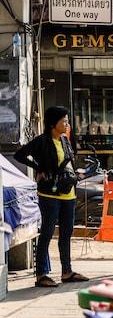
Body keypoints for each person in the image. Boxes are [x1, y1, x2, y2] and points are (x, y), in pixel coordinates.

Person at [14, 106, 89, 287]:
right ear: (52, 123)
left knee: (66, 233)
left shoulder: (65, 140)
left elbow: (68, 161)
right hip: (49, 194)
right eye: (63, 120)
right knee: (47, 232)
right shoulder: (42, 141)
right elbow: (20, 154)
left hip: (68, 194)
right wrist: (38, 168)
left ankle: (67, 271)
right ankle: (41, 275)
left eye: (67, 120)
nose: (67, 124)